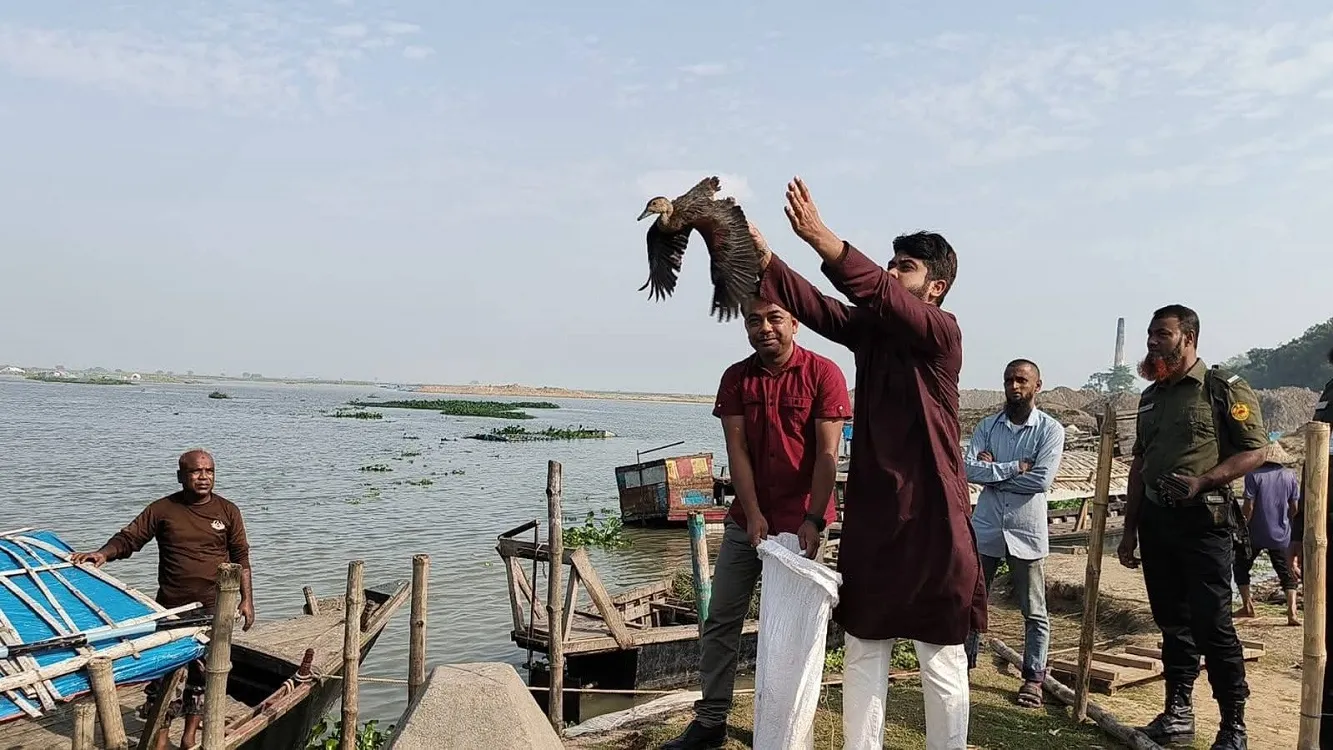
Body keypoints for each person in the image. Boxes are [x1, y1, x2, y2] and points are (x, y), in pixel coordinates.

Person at [749, 177, 985, 750]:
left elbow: (876, 292)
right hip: (876, 513)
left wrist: (824, 240)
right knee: (863, 644)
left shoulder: (941, 333)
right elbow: (816, 307)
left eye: (905, 267)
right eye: (892, 263)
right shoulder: (871, 333)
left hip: (934, 515)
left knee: (941, 654)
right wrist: (764, 257)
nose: (892, 273)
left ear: (936, 287)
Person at [663, 297, 850, 749]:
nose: (764, 327)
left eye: (774, 318)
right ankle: (711, 722)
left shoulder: (824, 373)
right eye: (753, 320)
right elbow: (738, 452)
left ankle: (789, 726)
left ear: (794, 323)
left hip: (803, 521)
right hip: (747, 519)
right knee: (722, 616)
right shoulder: (736, 378)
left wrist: (812, 518)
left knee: (795, 626)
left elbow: (828, 455)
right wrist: (753, 515)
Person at [1116, 305, 1269, 750]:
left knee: (1213, 624)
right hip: (1158, 526)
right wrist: (1130, 530)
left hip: (1205, 523)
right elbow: (1140, 464)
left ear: (1189, 337)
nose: (1151, 342)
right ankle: (1177, 714)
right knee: (1171, 624)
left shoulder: (1223, 388)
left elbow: (1255, 451)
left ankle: (1233, 726)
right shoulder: (1151, 397)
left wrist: (1204, 480)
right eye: (1149, 334)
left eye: (1161, 334)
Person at [72, 449, 256, 750]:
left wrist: (247, 601)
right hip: (170, 607)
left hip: (214, 608)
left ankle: (189, 737)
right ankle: (159, 738)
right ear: (181, 476)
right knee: (167, 674)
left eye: (209, 471)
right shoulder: (163, 509)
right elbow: (130, 539)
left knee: (205, 673)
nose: (203, 477)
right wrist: (102, 553)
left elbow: (242, 559)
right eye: (196, 471)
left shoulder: (228, 511)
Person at [963, 359, 1065, 708]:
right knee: (972, 601)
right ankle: (963, 666)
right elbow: (966, 468)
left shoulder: (1050, 431)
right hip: (988, 528)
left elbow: (1042, 480)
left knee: (1034, 610)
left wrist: (992, 470)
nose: (1014, 386)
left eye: (1022, 380)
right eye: (1009, 380)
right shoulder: (988, 426)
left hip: (1026, 531)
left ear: (1038, 385)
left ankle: (1033, 678)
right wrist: (1013, 467)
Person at [1233, 442, 1301, 626]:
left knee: (1240, 566)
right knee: (1285, 572)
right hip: (1280, 533)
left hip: (1255, 533)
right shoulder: (1290, 475)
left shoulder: (1253, 475)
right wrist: (1284, 520)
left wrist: (1242, 526)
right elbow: (1294, 508)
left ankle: (1247, 606)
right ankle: (1292, 611)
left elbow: (1249, 507)